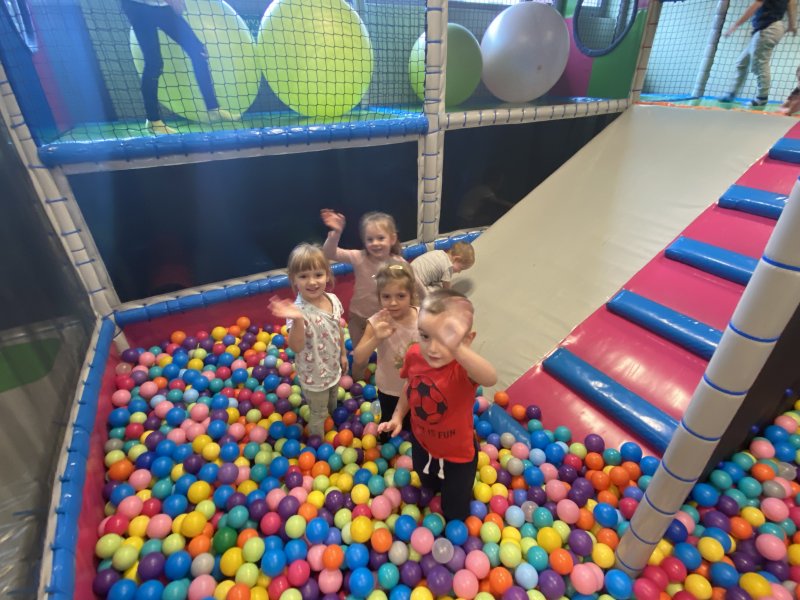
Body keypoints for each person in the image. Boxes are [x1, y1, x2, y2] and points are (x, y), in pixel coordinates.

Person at [378, 289, 497, 521]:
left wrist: (458, 349)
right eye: (425, 336)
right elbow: (410, 386)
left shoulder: (463, 369)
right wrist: (398, 416)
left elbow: (490, 378)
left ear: (466, 340)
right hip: (423, 442)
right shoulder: (414, 355)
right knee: (427, 483)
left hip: (458, 455)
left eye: (444, 339)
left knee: (455, 511)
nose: (432, 348)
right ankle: (432, 482)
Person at [122, 0, 240, 134]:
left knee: (199, 52)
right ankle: (153, 121)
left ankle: (213, 109)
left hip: (162, 7)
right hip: (138, 7)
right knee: (154, 63)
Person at [269, 243, 348, 439]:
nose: (312, 282)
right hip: (314, 377)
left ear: (327, 275)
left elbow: (337, 327)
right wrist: (297, 319)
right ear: (293, 279)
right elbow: (296, 346)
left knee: (332, 401)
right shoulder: (297, 312)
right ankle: (317, 441)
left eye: (318, 274)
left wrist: (343, 354)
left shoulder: (332, 299)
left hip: (333, 367)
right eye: (303, 276)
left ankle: (332, 418)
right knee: (318, 414)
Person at [352, 262, 420, 436]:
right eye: (386, 296)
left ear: (411, 294)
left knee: (417, 426)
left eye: (401, 296)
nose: (393, 302)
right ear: (379, 297)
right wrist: (377, 337)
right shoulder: (377, 322)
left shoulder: (423, 318)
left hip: (418, 387)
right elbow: (359, 357)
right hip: (389, 388)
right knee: (389, 425)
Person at [321, 209, 404, 348]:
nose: (375, 243)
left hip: (384, 318)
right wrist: (336, 233)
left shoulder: (398, 264)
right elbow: (329, 253)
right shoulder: (359, 257)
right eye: (370, 239)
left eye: (381, 238)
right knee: (359, 352)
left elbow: (415, 283)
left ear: (392, 239)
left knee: (386, 351)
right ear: (364, 241)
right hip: (358, 317)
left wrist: (426, 306)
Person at [719, 0, 797, 107]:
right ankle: (731, 94)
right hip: (769, 28)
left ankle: (761, 98)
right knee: (741, 62)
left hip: (768, 28)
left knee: (760, 65)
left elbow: (756, 4)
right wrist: (792, 24)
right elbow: (791, 3)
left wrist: (735, 25)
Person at [410, 242, 475, 299]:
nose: (459, 272)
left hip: (409, 270)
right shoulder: (448, 267)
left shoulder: (439, 252)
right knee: (439, 290)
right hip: (415, 286)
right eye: (461, 268)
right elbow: (447, 289)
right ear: (456, 259)